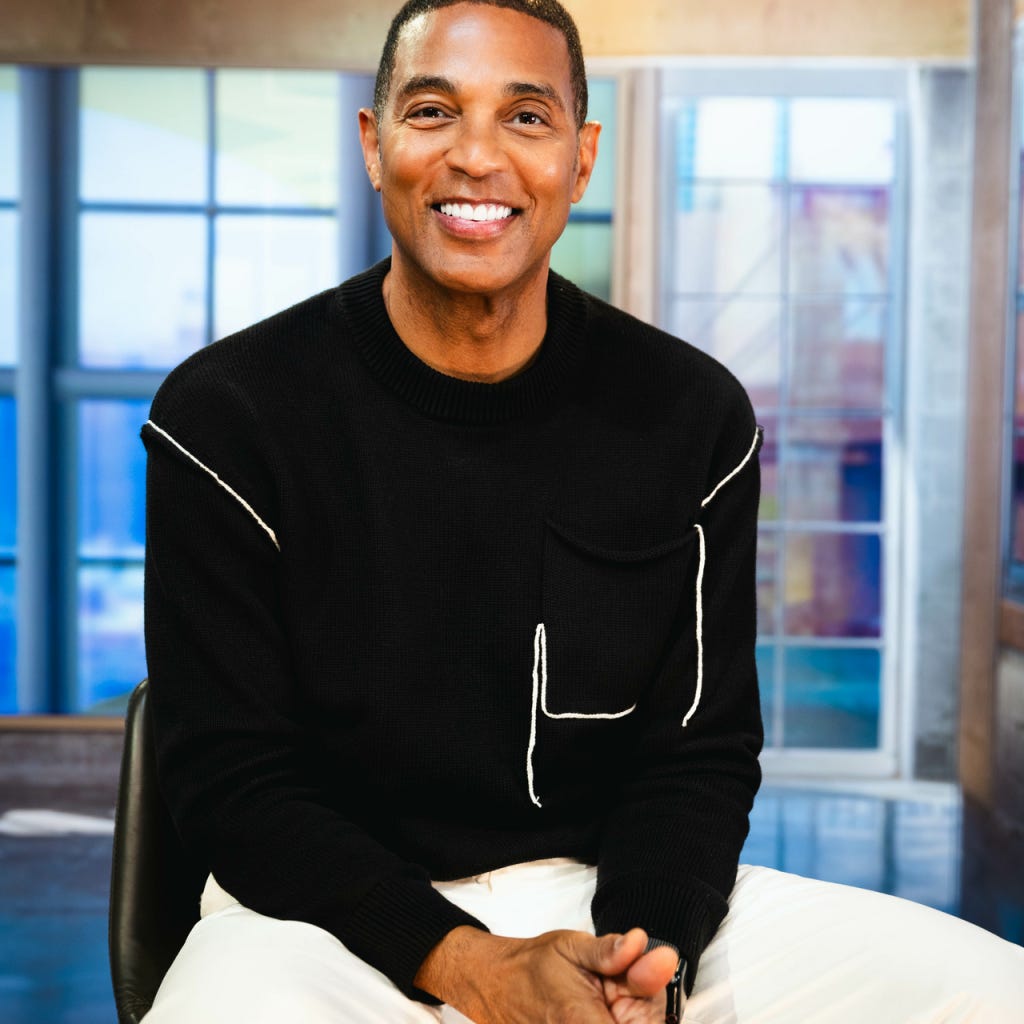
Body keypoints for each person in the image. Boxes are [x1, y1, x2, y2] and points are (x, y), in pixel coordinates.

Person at [139, 1, 1024, 1021]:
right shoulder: (227, 416)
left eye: (526, 117)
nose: (478, 157)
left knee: (992, 990)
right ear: (374, 145)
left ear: (581, 156)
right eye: (433, 111)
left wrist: (646, 960)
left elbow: (696, 755)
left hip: (604, 897)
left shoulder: (689, 417)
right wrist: (472, 966)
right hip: (315, 922)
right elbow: (233, 783)